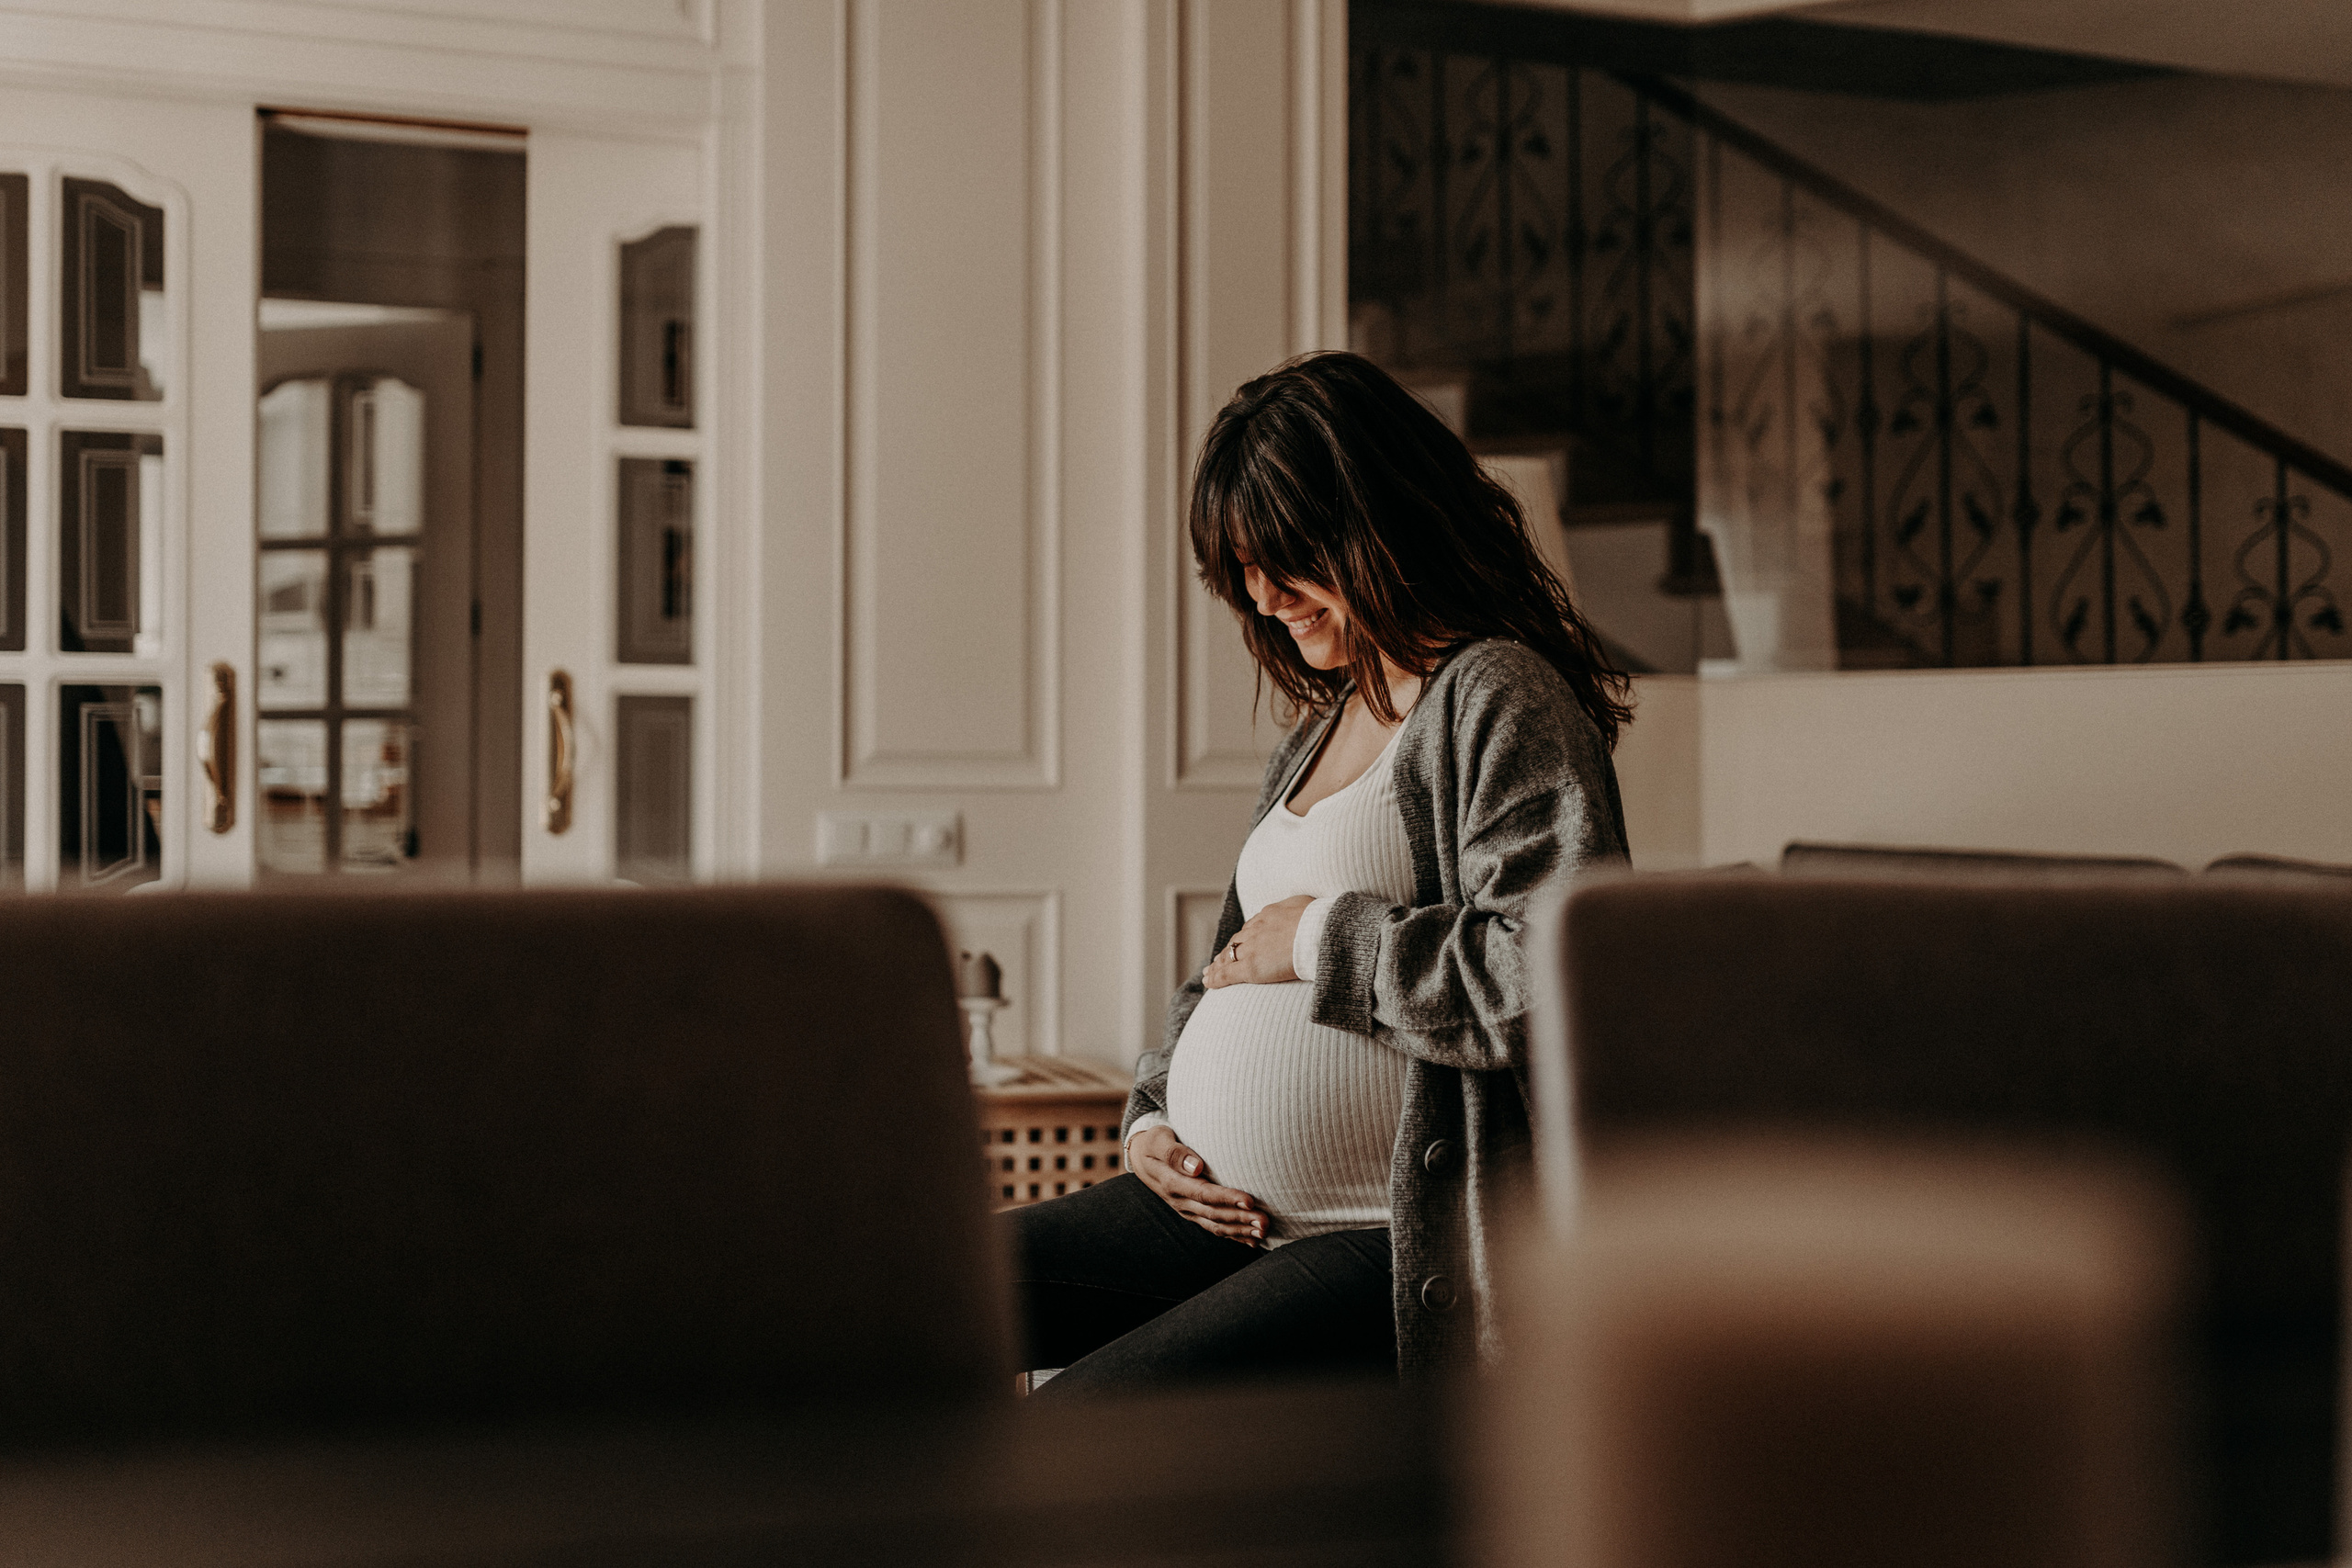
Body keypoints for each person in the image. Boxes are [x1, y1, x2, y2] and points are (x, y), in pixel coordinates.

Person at [1007, 350, 1632, 1391]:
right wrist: (1153, 1119)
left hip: (1389, 1240)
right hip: (1212, 1218)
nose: (1262, 596)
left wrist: (1322, 938)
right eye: (1241, 570)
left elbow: (1555, 983)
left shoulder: (1495, 694)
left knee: (1078, 1427)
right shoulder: (1322, 725)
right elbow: (1229, 967)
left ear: (1376, 525)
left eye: (1285, 560)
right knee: (899, 1301)